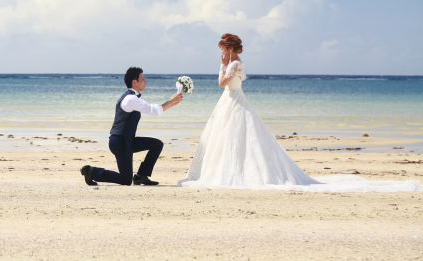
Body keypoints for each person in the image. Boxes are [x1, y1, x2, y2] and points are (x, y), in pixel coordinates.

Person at [178, 33, 421, 192]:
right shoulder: (234, 63)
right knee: (227, 138)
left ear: (231, 49)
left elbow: (222, 83)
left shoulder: (235, 63)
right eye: (222, 49)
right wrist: (222, 64)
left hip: (233, 100)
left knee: (240, 138)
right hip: (228, 102)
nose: (222, 52)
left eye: (224, 48)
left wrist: (221, 63)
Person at [81, 67, 183, 186]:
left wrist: (172, 103)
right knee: (125, 180)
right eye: (143, 79)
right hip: (120, 142)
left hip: (127, 141)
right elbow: (154, 110)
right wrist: (171, 101)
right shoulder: (130, 99)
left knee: (157, 144)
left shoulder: (131, 98)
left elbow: (156, 109)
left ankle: (141, 176)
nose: (145, 82)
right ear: (135, 82)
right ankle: (92, 172)